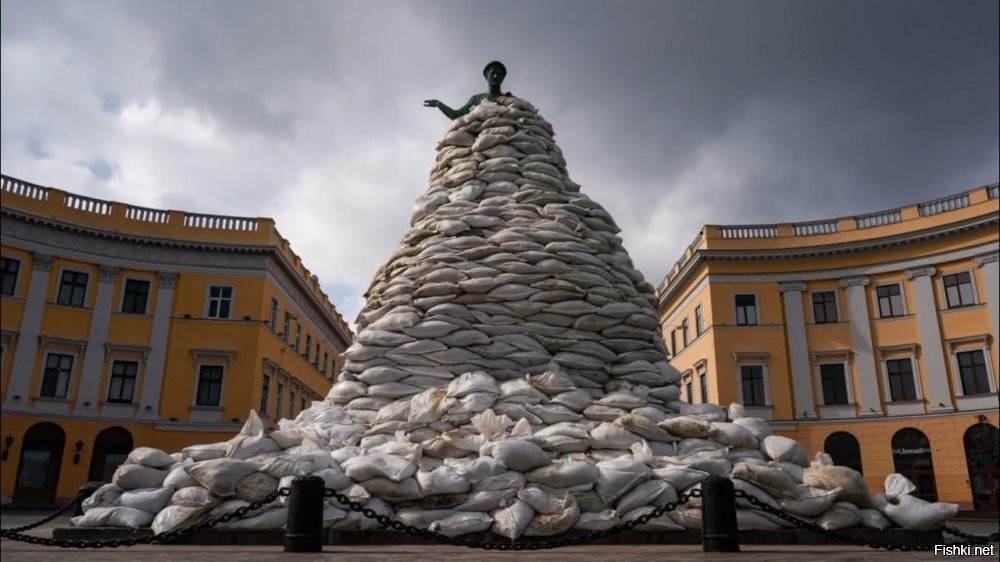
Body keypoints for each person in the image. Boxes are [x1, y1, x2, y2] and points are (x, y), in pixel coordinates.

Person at [424, 61, 512, 119]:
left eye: (499, 74)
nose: (496, 76)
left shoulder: (510, 100)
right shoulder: (477, 99)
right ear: (486, 76)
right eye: (492, 73)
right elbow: (457, 115)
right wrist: (439, 104)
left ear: (503, 77)